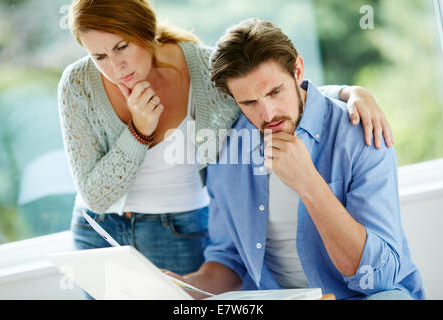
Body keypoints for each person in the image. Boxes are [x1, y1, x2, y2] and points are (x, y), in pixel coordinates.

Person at [58, 0, 393, 287]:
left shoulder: (204, 71)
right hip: (100, 233)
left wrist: (351, 93)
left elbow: (271, 88)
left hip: (180, 229)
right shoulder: (79, 84)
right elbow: (94, 197)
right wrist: (138, 132)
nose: (116, 67)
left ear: (146, 31)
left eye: (121, 47)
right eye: (99, 56)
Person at [165, 18, 425, 300]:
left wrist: (308, 183)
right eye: (249, 102)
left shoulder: (360, 133)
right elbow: (229, 262)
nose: (268, 114)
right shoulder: (230, 147)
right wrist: (182, 287)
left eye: (275, 92)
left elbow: (377, 278)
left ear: (297, 70)